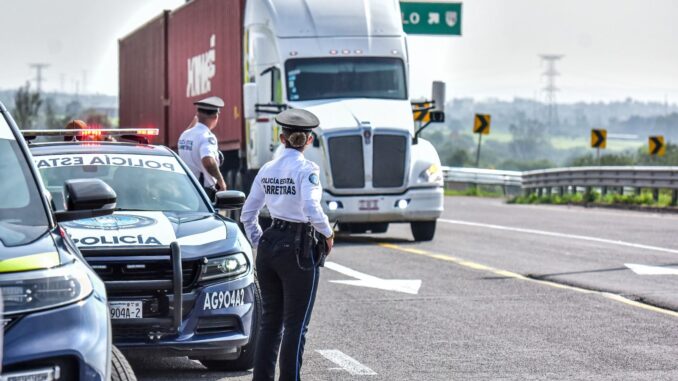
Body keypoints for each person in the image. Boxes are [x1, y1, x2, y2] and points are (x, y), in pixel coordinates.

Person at [241, 109, 334, 381]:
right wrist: (327, 234)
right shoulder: (307, 170)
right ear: (309, 140)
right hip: (298, 249)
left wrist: (262, 241)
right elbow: (311, 206)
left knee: (271, 323)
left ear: (281, 138)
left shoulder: (268, 169)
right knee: (296, 326)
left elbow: (248, 213)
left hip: (270, 243)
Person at [178, 96, 227, 199]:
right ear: (215, 117)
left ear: (197, 114)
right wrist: (220, 181)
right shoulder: (207, 137)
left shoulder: (184, 135)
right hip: (202, 192)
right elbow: (208, 160)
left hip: (185, 189)